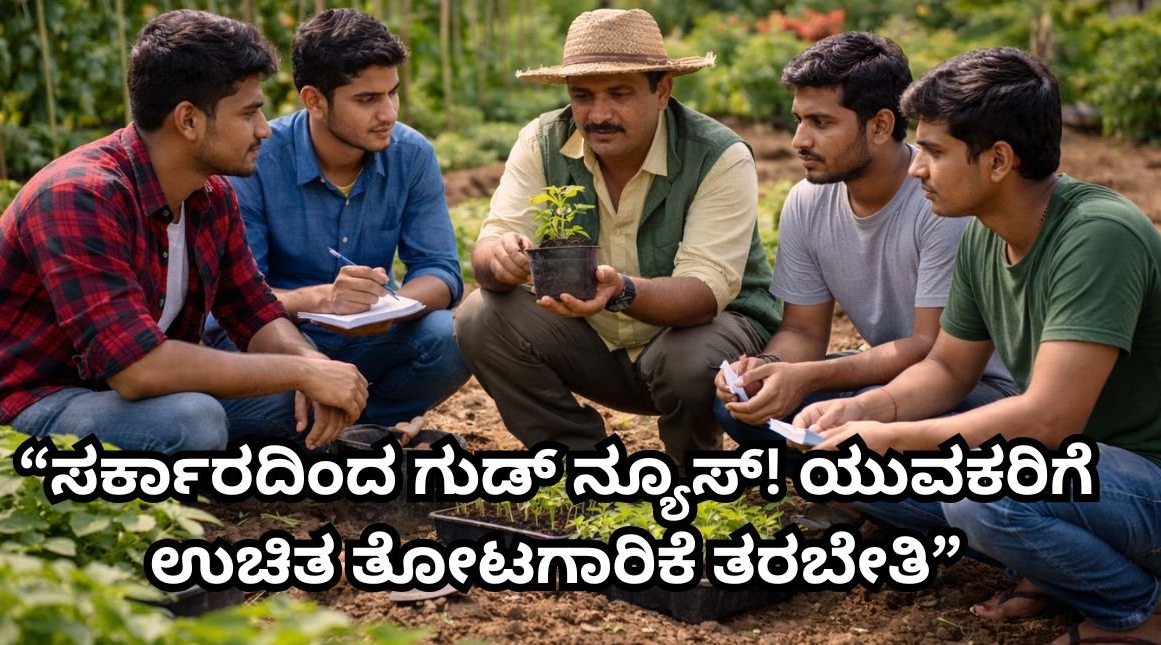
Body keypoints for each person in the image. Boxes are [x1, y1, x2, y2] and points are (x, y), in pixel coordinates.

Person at [795, 48, 1161, 645]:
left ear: (997, 161)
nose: (916, 170)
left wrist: (889, 439)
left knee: (978, 491)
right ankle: (1051, 565)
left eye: (934, 152)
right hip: (1083, 479)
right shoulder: (986, 236)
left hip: (1144, 478)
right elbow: (945, 367)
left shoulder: (1099, 235)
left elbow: (1048, 419)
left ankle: (1141, 612)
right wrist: (863, 411)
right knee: (852, 471)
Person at [0, 10, 369, 454]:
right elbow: (138, 370)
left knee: (292, 403)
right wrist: (303, 374)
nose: (263, 129)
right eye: (249, 112)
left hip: (113, 396)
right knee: (192, 421)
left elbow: (256, 314)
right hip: (16, 405)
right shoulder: (79, 196)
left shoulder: (210, 196)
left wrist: (312, 365)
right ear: (188, 121)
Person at [454, 8, 782, 463]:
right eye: (582, 96)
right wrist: (501, 258)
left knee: (690, 356)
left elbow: (705, 293)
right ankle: (581, 463)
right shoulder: (543, 141)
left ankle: (695, 471)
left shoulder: (718, 155)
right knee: (479, 316)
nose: (598, 114)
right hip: (593, 342)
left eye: (620, 93)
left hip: (700, 339)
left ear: (662, 90)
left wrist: (620, 290)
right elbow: (491, 243)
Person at [712, 32, 1017, 447]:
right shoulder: (807, 201)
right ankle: (866, 489)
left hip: (974, 390)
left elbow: (931, 348)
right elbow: (803, 331)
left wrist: (812, 377)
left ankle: (863, 490)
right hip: (886, 379)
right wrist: (766, 368)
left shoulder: (942, 201)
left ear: (880, 125)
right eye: (799, 120)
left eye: (821, 123)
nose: (799, 140)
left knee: (853, 421)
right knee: (747, 406)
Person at [202, 9, 469, 427]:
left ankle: (351, 429)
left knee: (454, 337)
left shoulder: (412, 155)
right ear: (314, 100)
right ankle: (353, 432)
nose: (389, 114)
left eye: (392, 93)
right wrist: (322, 301)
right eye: (367, 99)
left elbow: (440, 269)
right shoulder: (255, 160)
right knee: (253, 408)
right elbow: (233, 305)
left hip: (375, 341)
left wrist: (389, 309)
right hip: (276, 343)